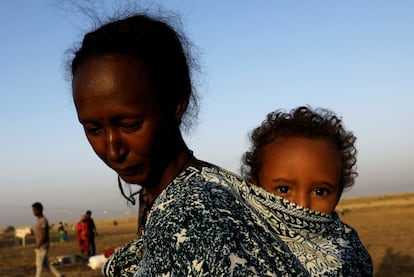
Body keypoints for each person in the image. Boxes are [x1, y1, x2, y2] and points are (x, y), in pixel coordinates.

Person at [68, 12, 310, 276]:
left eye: (130, 125)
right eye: (93, 129)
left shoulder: (187, 215)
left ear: (175, 104)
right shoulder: (190, 190)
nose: (113, 150)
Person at [241, 106, 373, 276]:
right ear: (255, 189)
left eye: (320, 192)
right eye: (284, 189)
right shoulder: (240, 242)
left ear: (338, 194)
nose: (302, 205)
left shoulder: (350, 249)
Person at [31, 202, 63, 277]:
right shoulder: (39, 220)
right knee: (46, 264)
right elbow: (39, 233)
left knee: (39, 265)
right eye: (33, 210)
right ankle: (59, 275)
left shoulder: (43, 221)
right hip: (41, 245)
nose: (34, 212)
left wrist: (38, 245)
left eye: (35, 210)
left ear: (40, 210)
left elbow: (45, 235)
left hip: (42, 246)